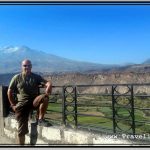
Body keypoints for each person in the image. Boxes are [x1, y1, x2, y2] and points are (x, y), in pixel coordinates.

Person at [7, 59, 52, 145]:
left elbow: (47, 82)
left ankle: (40, 119)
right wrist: (13, 104)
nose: (27, 67)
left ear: (31, 66)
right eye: (25, 66)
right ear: (22, 67)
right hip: (22, 105)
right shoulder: (16, 77)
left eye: (29, 65)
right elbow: (9, 91)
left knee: (45, 97)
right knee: (21, 130)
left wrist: (49, 85)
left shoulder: (36, 77)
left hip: (33, 102)